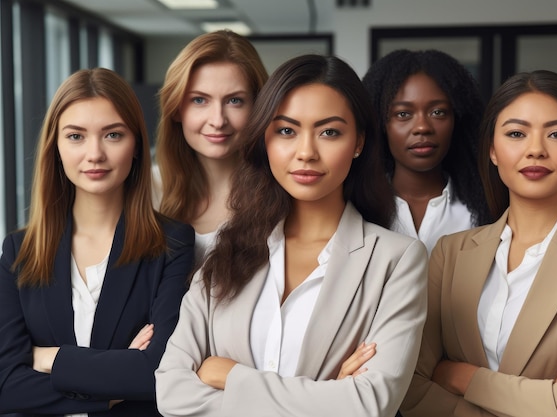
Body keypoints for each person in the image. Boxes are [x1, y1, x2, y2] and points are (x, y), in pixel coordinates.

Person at [155, 54, 428, 417]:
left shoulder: (397, 259)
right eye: (286, 130)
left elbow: (367, 405)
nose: (306, 153)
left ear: (359, 142)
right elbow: (172, 393)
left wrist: (232, 376)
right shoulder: (227, 247)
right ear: (264, 139)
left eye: (329, 132)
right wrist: (326, 395)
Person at [399, 70, 557, 417]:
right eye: (517, 133)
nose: (536, 149)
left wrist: (463, 376)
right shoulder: (450, 253)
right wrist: (544, 397)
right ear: (492, 150)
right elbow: (412, 388)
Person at [0, 68, 194, 416]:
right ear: (55, 147)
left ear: (136, 145)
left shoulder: (172, 245)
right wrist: (115, 384)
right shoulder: (18, 253)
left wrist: (47, 357)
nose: (94, 154)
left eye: (113, 135)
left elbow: (157, 374)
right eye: (76, 136)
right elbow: (6, 388)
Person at [154, 29, 268, 264]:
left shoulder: (279, 195)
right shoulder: (147, 190)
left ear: (258, 108)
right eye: (199, 100)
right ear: (176, 109)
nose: (218, 120)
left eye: (235, 101)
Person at [362, 49, 490, 254]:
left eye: (438, 112)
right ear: (381, 124)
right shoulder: (357, 208)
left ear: (456, 120)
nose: (422, 127)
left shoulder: (486, 209)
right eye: (403, 113)